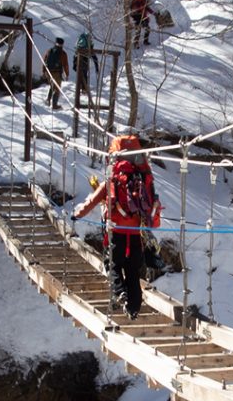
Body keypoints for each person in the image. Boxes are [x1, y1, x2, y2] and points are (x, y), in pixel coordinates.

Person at [72, 135, 162, 320]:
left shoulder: (112, 181)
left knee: (112, 265)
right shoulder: (143, 179)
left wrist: (76, 215)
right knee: (132, 271)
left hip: (116, 234)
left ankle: (119, 293)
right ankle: (134, 308)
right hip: (136, 236)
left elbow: (89, 203)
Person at [42, 37, 70, 108]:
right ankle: (54, 105)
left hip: (48, 72)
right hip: (57, 73)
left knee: (52, 86)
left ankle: (48, 100)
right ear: (62, 44)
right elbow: (65, 65)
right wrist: (67, 74)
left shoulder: (49, 51)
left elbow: (44, 61)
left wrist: (43, 71)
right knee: (57, 88)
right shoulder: (63, 54)